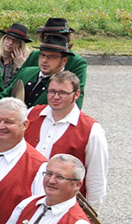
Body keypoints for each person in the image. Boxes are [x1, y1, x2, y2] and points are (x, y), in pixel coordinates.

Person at [25, 71, 107, 209]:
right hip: (26, 199)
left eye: (62, 93)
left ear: (76, 94)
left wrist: (90, 215)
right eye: (52, 91)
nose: (55, 97)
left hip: (63, 208)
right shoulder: (32, 114)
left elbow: (96, 179)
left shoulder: (92, 130)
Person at [16, 17, 88, 93]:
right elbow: (15, 84)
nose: (51, 40)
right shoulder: (34, 55)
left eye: (56, 37)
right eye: (47, 36)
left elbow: (76, 95)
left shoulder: (77, 62)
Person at [9, 34, 78, 108]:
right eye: (42, 55)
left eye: (52, 57)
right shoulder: (26, 72)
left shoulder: (67, 85)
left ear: (64, 60)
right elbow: (6, 94)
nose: (44, 60)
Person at [0, 24, 32, 88]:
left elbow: (26, 85)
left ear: (21, 45)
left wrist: (22, 66)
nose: (10, 42)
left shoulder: (28, 61)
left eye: (16, 41)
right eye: (8, 38)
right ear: (3, 39)